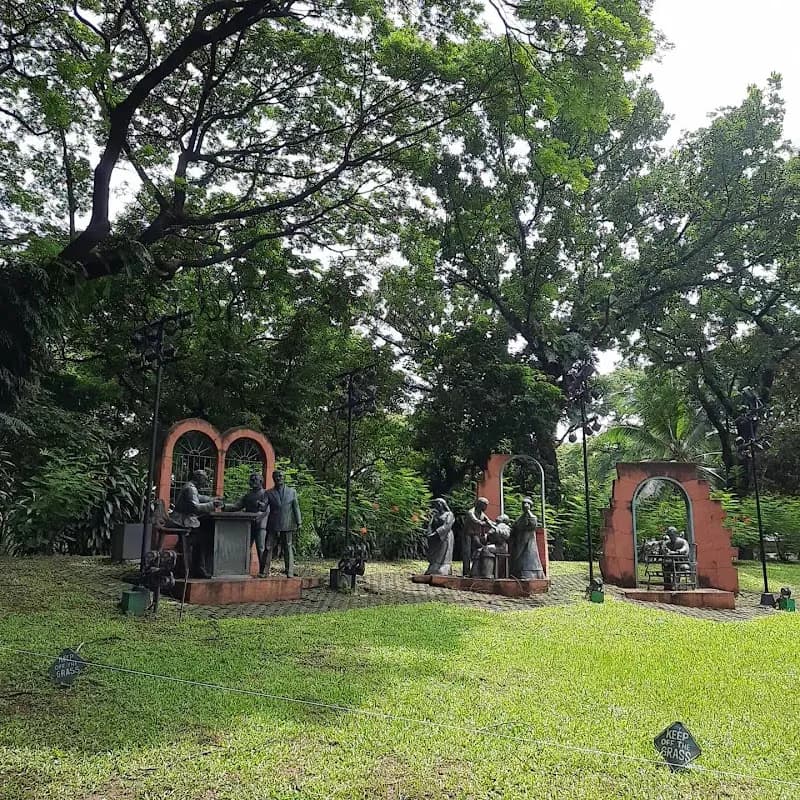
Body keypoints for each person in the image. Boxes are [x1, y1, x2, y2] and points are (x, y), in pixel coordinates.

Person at [168, 469, 221, 578]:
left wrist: (212, 499)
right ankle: (198, 568)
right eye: (204, 480)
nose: (205, 483)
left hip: (184, 519)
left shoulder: (191, 487)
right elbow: (195, 507)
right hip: (182, 520)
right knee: (203, 539)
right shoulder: (190, 489)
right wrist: (212, 504)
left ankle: (195, 566)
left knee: (200, 537)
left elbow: (199, 498)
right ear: (199, 479)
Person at [225, 473, 269, 576]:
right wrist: (224, 505)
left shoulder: (265, 494)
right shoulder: (248, 495)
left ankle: (263, 571)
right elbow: (237, 506)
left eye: (255, 480)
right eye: (251, 480)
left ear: (261, 481)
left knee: (261, 548)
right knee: (245, 548)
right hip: (248, 525)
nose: (253, 482)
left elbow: (266, 509)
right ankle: (244, 570)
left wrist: (261, 508)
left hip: (260, 525)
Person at [264, 470, 302, 577]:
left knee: (288, 547)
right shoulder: (269, 493)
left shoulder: (292, 492)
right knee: (268, 546)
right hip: (273, 523)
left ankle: (289, 571)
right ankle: (264, 571)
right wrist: (260, 505)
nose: (279, 478)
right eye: (276, 476)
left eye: (280, 476)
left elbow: (296, 507)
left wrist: (299, 522)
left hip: (287, 523)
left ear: (284, 478)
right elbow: (264, 506)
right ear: (273, 478)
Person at [509, 497, 545, 580]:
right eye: (524, 504)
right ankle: (516, 573)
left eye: (528, 504)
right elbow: (514, 527)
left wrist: (528, 511)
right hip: (519, 541)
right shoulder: (519, 518)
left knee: (529, 557)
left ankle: (530, 573)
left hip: (528, 541)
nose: (525, 505)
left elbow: (533, 523)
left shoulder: (532, 516)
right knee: (518, 558)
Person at [461, 497, 496, 577]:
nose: (486, 508)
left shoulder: (481, 513)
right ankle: (466, 572)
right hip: (467, 535)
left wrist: (497, 524)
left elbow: (489, 521)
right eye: (485, 505)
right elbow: (476, 521)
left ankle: (476, 570)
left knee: (480, 549)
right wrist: (485, 523)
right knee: (467, 553)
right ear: (480, 504)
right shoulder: (471, 512)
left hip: (475, 535)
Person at [424, 498, 455, 576]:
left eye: (439, 504)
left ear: (443, 505)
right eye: (436, 505)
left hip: (445, 536)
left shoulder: (449, 514)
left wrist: (437, 533)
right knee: (436, 554)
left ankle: (443, 567)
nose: (437, 506)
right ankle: (434, 566)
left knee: (444, 552)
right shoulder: (436, 515)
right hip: (435, 538)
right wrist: (430, 533)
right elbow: (430, 525)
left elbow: (447, 525)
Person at [662, 526, 690, 590]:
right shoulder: (667, 543)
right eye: (669, 535)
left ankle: (676, 584)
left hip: (682, 562)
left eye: (672, 534)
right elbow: (664, 550)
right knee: (666, 567)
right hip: (671, 562)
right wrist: (667, 551)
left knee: (678, 567)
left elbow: (685, 549)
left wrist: (677, 552)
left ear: (675, 533)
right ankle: (667, 585)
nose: (671, 536)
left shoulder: (682, 541)